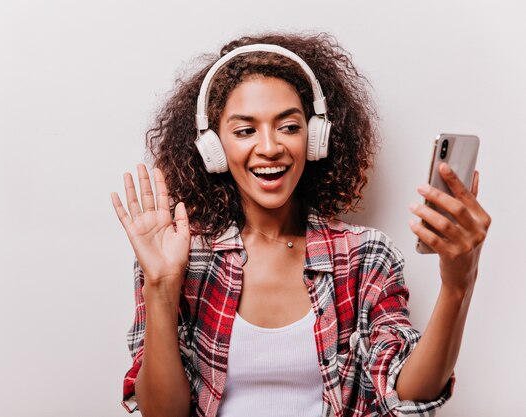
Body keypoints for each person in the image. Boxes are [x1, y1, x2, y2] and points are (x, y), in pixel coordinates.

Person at [111, 33, 491, 417]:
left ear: (316, 138)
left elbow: (406, 395)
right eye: (245, 131)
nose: (270, 147)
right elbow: (163, 413)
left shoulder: (364, 255)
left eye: (289, 127)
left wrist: (459, 283)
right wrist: (161, 286)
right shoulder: (181, 255)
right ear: (214, 148)